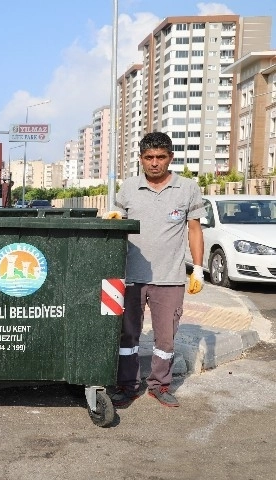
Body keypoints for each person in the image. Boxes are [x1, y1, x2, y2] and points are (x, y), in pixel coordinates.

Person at [103, 131, 205, 408]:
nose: (155, 162)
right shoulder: (128, 188)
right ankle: (126, 385)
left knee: (166, 338)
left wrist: (197, 268)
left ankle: (159, 385)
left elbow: (194, 230)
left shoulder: (187, 189)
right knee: (127, 336)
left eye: (161, 157)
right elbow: (117, 220)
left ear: (170, 158)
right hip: (130, 276)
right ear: (141, 159)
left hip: (170, 278)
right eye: (149, 157)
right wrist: (113, 218)